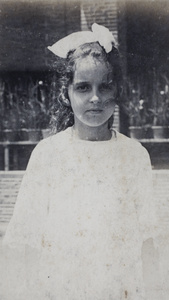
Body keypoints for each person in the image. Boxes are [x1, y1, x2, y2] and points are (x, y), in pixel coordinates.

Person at [1, 23, 157, 300]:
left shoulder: (134, 155)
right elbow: (27, 240)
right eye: (83, 87)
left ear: (116, 91)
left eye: (104, 86)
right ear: (66, 93)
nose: (95, 98)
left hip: (118, 289)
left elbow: (147, 239)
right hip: (61, 290)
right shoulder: (48, 155)